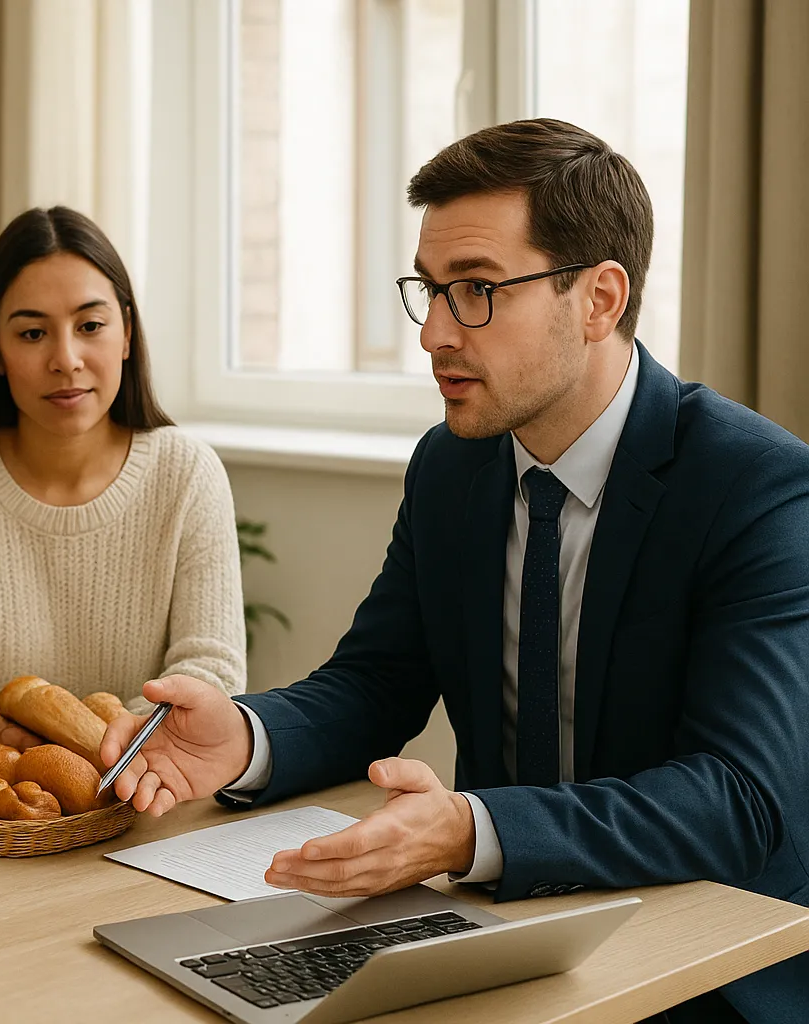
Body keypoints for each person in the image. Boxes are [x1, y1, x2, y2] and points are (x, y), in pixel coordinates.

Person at [100, 120, 808, 1023]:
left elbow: (738, 799)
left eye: (476, 290)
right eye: (429, 291)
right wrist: (242, 737)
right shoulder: (453, 465)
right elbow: (379, 680)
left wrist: (473, 829)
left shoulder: (753, 486)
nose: (434, 332)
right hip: (499, 938)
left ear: (598, 299)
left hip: (707, 968)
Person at [0, 206, 245, 754]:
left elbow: (210, 666)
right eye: (33, 332)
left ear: (127, 334)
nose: (66, 359)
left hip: (151, 784)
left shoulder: (187, 473)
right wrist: (11, 738)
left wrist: (107, 745)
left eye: (90, 326)